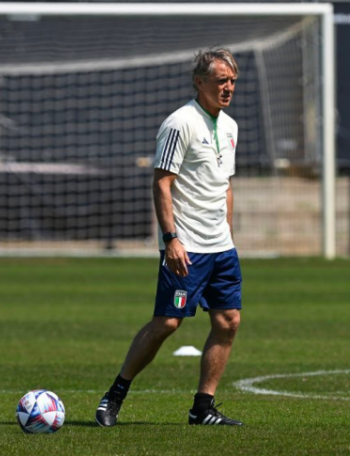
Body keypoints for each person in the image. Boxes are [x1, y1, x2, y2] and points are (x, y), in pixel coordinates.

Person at [96, 47, 243, 427]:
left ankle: (202, 407)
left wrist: (228, 232)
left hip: (220, 248)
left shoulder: (230, 126)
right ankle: (114, 396)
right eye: (220, 81)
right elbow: (162, 183)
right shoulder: (179, 123)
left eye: (232, 81)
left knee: (228, 321)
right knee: (167, 323)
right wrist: (171, 239)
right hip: (186, 246)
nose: (227, 88)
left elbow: (225, 185)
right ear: (199, 82)